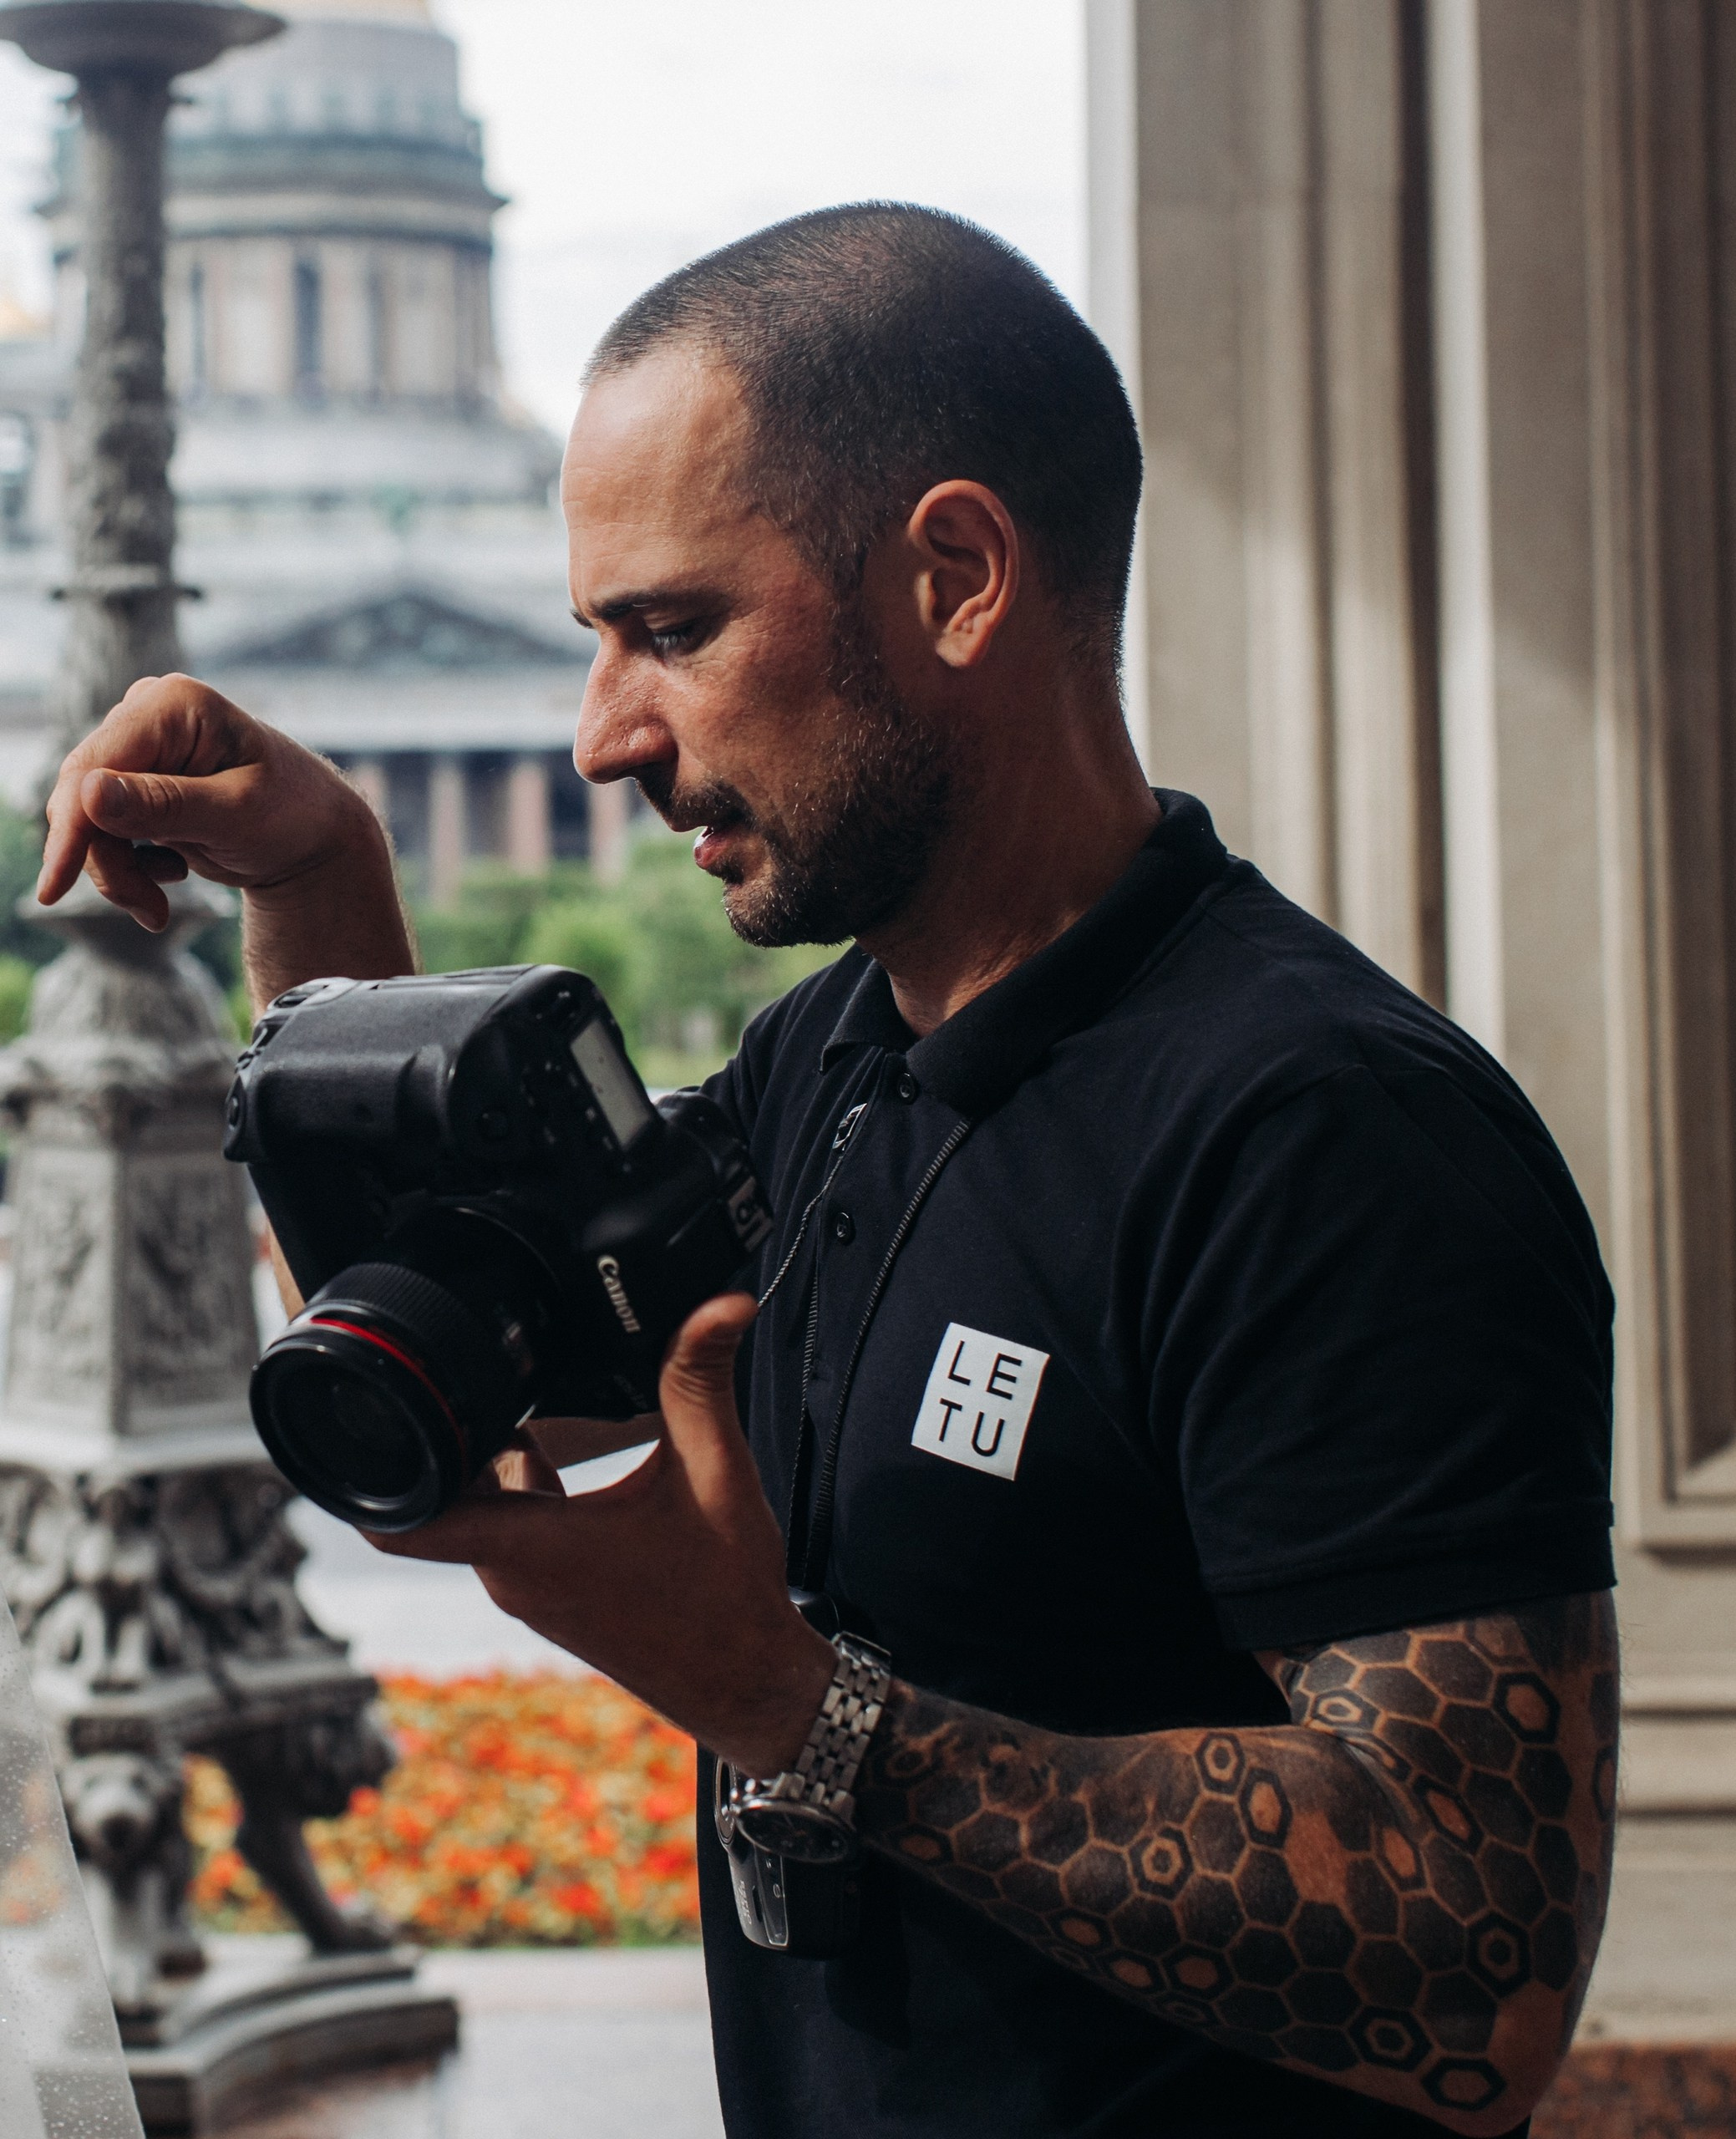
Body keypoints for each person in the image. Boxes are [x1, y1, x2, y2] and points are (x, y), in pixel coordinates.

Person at [38, 206, 1617, 2138]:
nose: (601, 737)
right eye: (595, 640)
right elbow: (472, 1354)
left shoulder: (1326, 1132)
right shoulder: (838, 1059)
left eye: (672, 630)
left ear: (954, 577)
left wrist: (797, 1711)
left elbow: (1477, 1966)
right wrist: (320, 884)